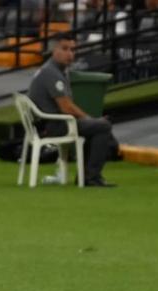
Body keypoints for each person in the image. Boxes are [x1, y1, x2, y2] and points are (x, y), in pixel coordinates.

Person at [28, 37, 118, 187]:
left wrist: (91, 121)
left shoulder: (53, 70)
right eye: (64, 49)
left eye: (72, 50)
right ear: (54, 51)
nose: (70, 54)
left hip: (48, 124)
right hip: (53, 126)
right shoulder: (51, 73)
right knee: (103, 126)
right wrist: (90, 119)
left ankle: (87, 176)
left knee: (97, 127)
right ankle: (92, 177)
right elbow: (66, 107)